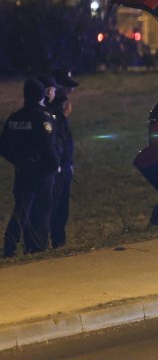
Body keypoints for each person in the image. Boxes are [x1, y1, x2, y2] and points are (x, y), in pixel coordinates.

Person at [0, 79, 60, 258]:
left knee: (21, 209)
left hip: (22, 171)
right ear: (41, 95)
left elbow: (3, 146)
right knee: (41, 211)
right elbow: (48, 146)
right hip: (41, 173)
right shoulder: (43, 118)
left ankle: (10, 244)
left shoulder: (14, 118)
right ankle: (38, 247)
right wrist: (54, 166)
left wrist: (18, 161)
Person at [48, 70, 77, 248]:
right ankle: (52, 240)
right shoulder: (54, 108)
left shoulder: (59, 105)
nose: (70, 91)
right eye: (67, 86)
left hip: (63, 164)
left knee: (62, 206)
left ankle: (58, 240)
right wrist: (61, 117)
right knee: (55, 205)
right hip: (56, 165)